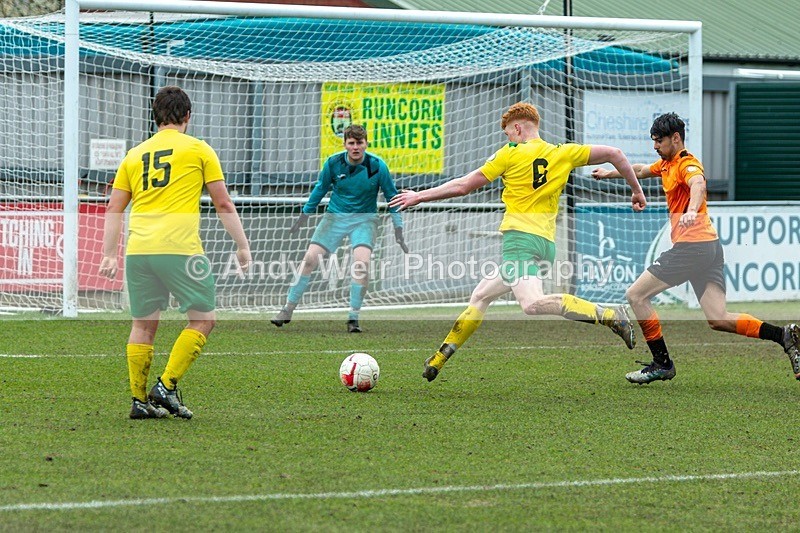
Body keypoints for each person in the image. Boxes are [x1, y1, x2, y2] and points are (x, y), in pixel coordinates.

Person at [389, 102, 647, 382]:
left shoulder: (509, 153)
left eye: (508, 134)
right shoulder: (563, 152)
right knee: (481, 296)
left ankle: (609, 314)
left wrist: (420, 195)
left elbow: (463, 186)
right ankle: (439, 359)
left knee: (531, 304)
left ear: (517, 128)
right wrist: (636, 190)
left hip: (520, 241)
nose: (508, 139)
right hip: (545, 245)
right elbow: (615, 154)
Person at [592, 112, 800, 383]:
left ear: (675, 138)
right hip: (709, 248)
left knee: (636, 296)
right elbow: (641, 170)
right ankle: (783, 335)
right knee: (718, 318)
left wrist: (691, 210)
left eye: (659, 141)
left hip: (692, 248)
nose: (655, 146)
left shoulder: (687, 163)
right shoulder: (666, 164)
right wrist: (608, 173)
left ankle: (662, 363)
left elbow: (698, 184)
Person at [99, 86, 251, 419]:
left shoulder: (134, 155)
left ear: (154, 117)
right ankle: (166, 386)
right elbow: (223, 203)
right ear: (188, 116)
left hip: (139, 251)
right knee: (204, 319)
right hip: (180, 249)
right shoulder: (199, 149)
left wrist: (109, 253)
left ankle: (139, 401)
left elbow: (114, 208)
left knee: (143, 325)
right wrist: (242, 245)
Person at [271, 124, 407, 333]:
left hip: (364, 220)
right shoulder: (333, 163)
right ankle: (287, 309)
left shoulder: (378, 166)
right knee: (309, 259)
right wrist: (304, 216)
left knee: (361, 263)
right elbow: (320, 189)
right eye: (351, 143)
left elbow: (392, 197)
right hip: (334, 217)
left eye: (359, 143)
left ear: (366, 144)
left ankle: (353, 318)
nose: (355, 147)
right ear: (345, 144)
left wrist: (398, 227)